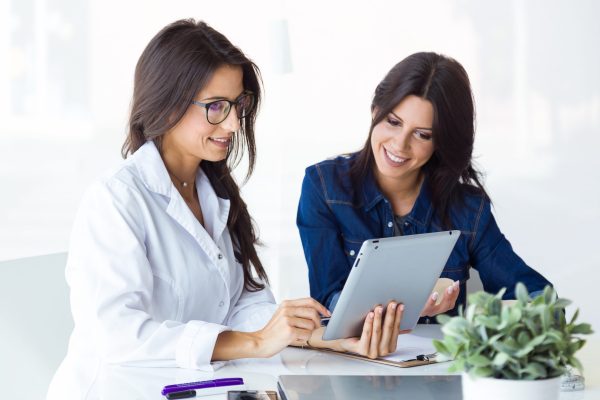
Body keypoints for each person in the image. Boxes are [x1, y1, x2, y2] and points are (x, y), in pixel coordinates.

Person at [48, 19, 403, 398]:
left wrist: (314, 335)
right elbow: (118, 334)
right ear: (167, 104)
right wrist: (254, 343)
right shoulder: (116, 199)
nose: (234, 123)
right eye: (216, 106)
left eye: (238, 105)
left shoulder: (216, 194)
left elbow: (242, 302)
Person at [297, 52, 553, 323]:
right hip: (355, 361)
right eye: (393, 122)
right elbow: (326, 301)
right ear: (375, 112)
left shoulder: (467, 209)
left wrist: (478, 318)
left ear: (441, 141)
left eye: (423, 134)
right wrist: (402, 309)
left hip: (440, 364)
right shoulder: (325, 188)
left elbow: (540, 298)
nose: (399, 144)